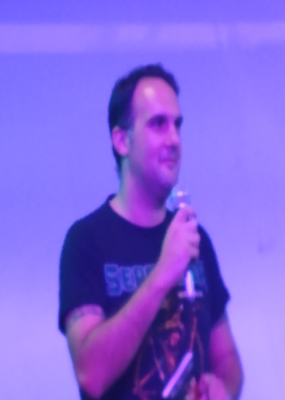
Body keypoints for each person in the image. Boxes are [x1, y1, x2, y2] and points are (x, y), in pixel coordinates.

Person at [58, 64, 243, 400]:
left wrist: (224, 389)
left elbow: (227, 360)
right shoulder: (86, 242)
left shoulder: (194, 238)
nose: (174, 139)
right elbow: (91, 376)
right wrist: (163, 274)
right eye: (158, 124)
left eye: (177, 125)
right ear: (121, 140)